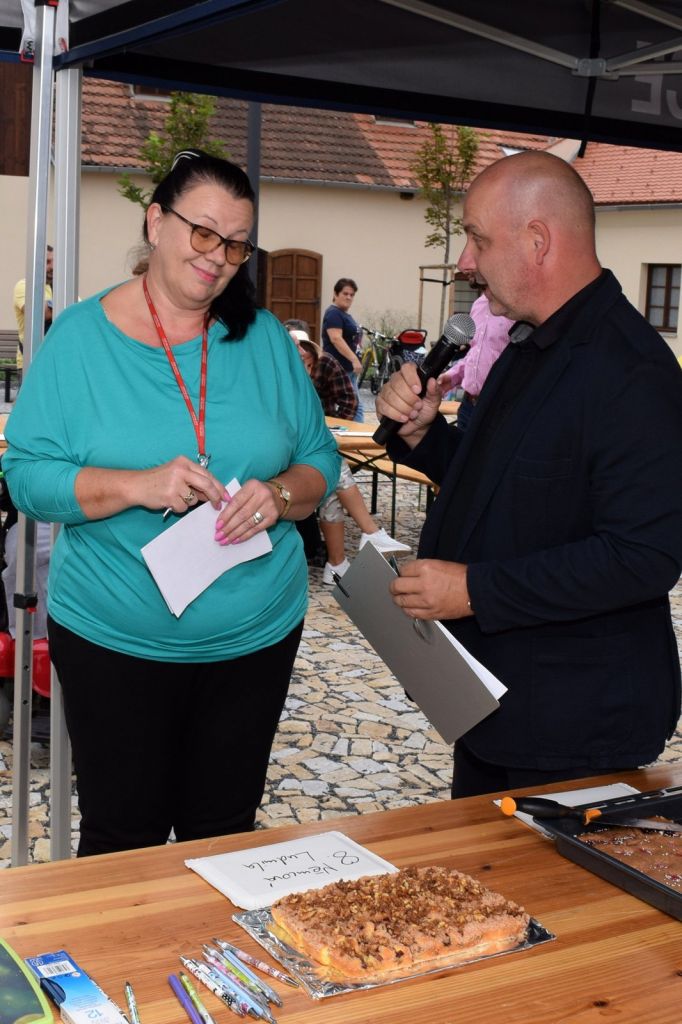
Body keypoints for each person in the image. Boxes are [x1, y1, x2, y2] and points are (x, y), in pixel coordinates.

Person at [3, 150, 340, 856]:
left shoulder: (265, 339)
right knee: (122, 839)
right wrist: (137, 485)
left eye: (237, 244)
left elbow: (320, 458)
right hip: (114, 640)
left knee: (224, 836)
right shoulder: (79, 340)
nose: (219, 257)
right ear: (156, 223)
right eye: (204, 232)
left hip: (255, 637)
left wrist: (280, 494)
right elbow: (27, 476)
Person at [376, 150, 682, 799]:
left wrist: (475, 591)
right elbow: (499, 485)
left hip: (576, 724)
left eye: (478, 238)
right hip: (494, 707)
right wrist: (426, 436)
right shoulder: (528, 343)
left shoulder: (633, 372)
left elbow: (644, 557)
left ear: (538, 240)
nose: (465, 260)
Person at [289, 328, 410, 584]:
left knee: (331, 484)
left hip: (303, 445)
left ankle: (337, 564)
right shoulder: (282, 379)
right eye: (295, 346)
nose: (301, 350)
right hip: (283, 453)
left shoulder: (303, 371)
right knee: (332, 462)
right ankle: (369, 534)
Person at [438, 286, 514, 433]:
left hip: (497, 408)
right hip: (468, 405)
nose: (468, 274)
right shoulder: (478, 304)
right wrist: (452, 376)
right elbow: (475, 353)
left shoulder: (515, 307)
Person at [321, 278, 364, 422]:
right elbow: (336, 338)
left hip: (347, 369)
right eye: (345, 293)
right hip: (339, 368)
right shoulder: (334, 313)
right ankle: (357, 434)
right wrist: (354, 359)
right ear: (335, 293)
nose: (349, 297)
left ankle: (349, 433)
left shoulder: (344, 314)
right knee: (355, 407)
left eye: (352, 295)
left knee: (351, 406)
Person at [12, 245, 54, 372]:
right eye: (47, 262)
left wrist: (51, 304)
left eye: (54, 262)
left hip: (54, 361)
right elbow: (39, 313)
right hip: (30, 362)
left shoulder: (59, 288)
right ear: (36, 263)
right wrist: (64, 304)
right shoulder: (24, 285)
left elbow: (79, 311)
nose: (52, 266)